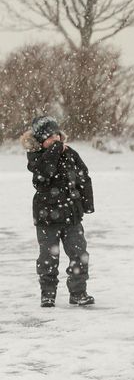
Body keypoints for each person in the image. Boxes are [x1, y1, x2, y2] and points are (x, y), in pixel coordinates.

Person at [21, 116, 95, 308]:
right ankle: (48, 294)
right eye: (49, 137)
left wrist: (87, 204)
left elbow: (83, 177)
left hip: (71, 215)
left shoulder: (70, 153)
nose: (54, 140)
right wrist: (54, 150)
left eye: (56, 136)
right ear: (40, 141)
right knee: (48, 259)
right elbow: (44, 174)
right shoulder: (36, 157)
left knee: (79, 255)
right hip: (47, 218)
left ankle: (78, 293)